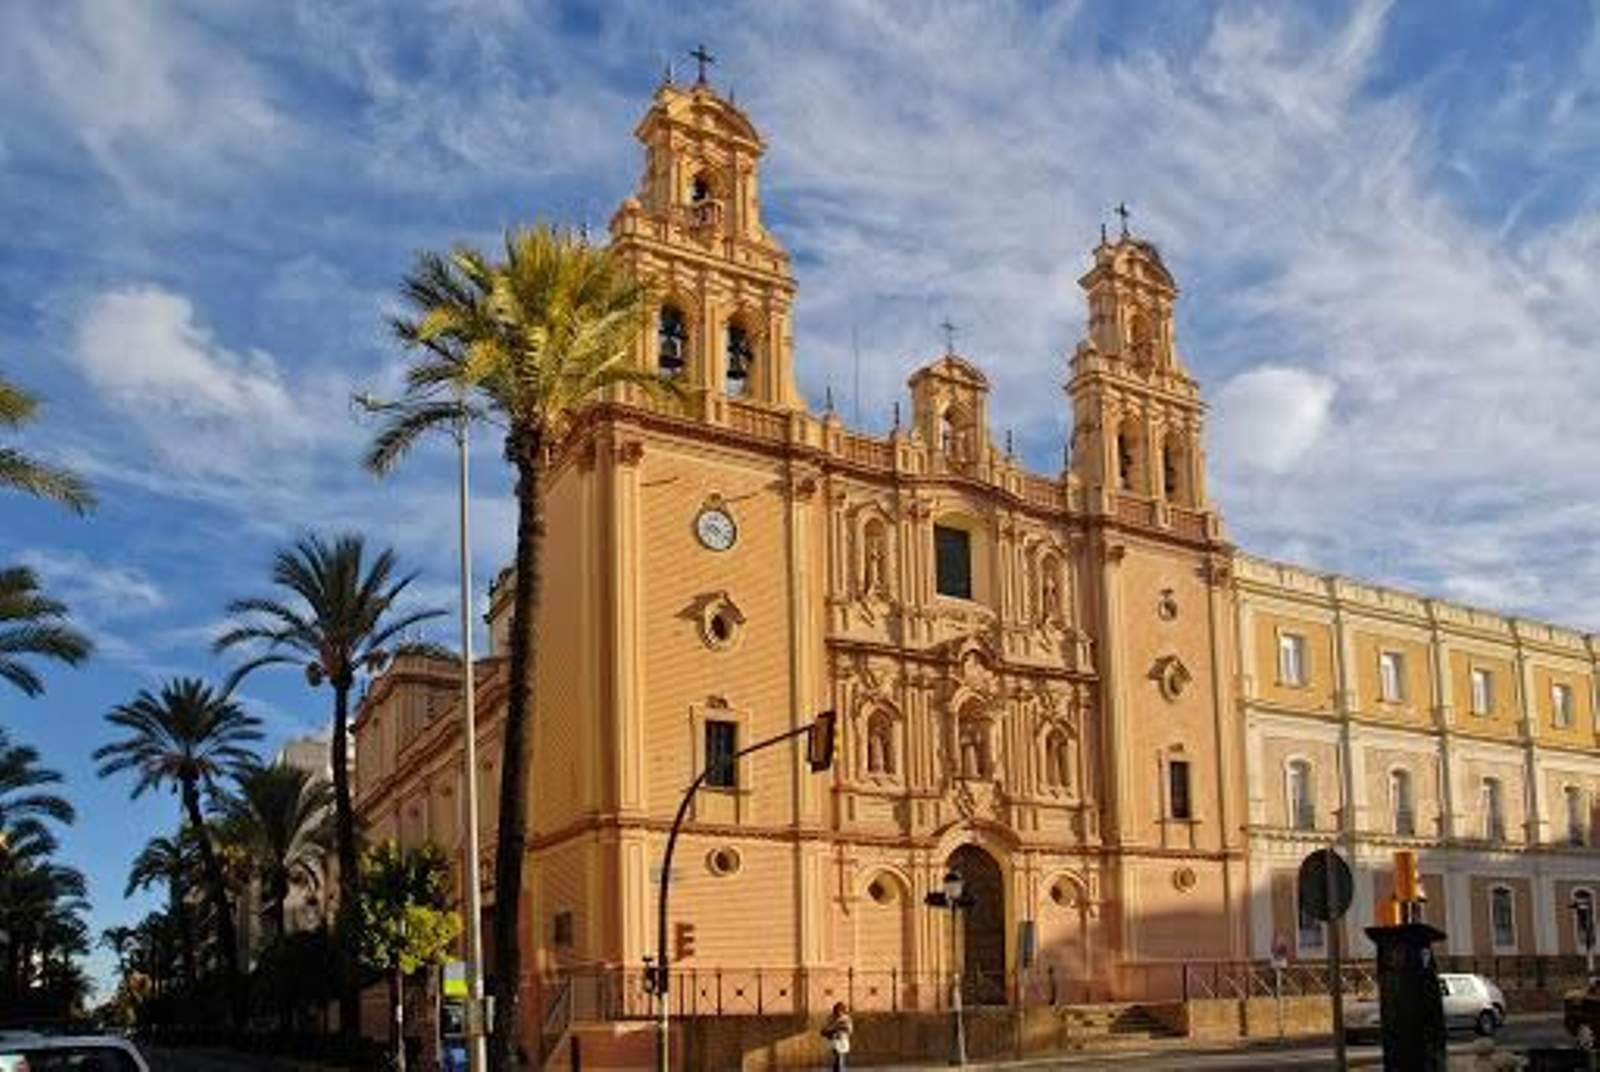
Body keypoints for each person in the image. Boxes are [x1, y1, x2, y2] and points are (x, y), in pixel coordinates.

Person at [821, 1001, 853, 1070]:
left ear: (842, 1011)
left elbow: (849, 1030)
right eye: (836, 1011)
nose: (838, 1013)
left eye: (840, 1011)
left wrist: (840, 1028)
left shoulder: (846, 1019)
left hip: (842, 1043)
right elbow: (824, 1030)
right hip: (834, 1043)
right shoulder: (831, 1018)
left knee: (840, 1060)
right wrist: (829, 1032)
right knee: (838, 1060)